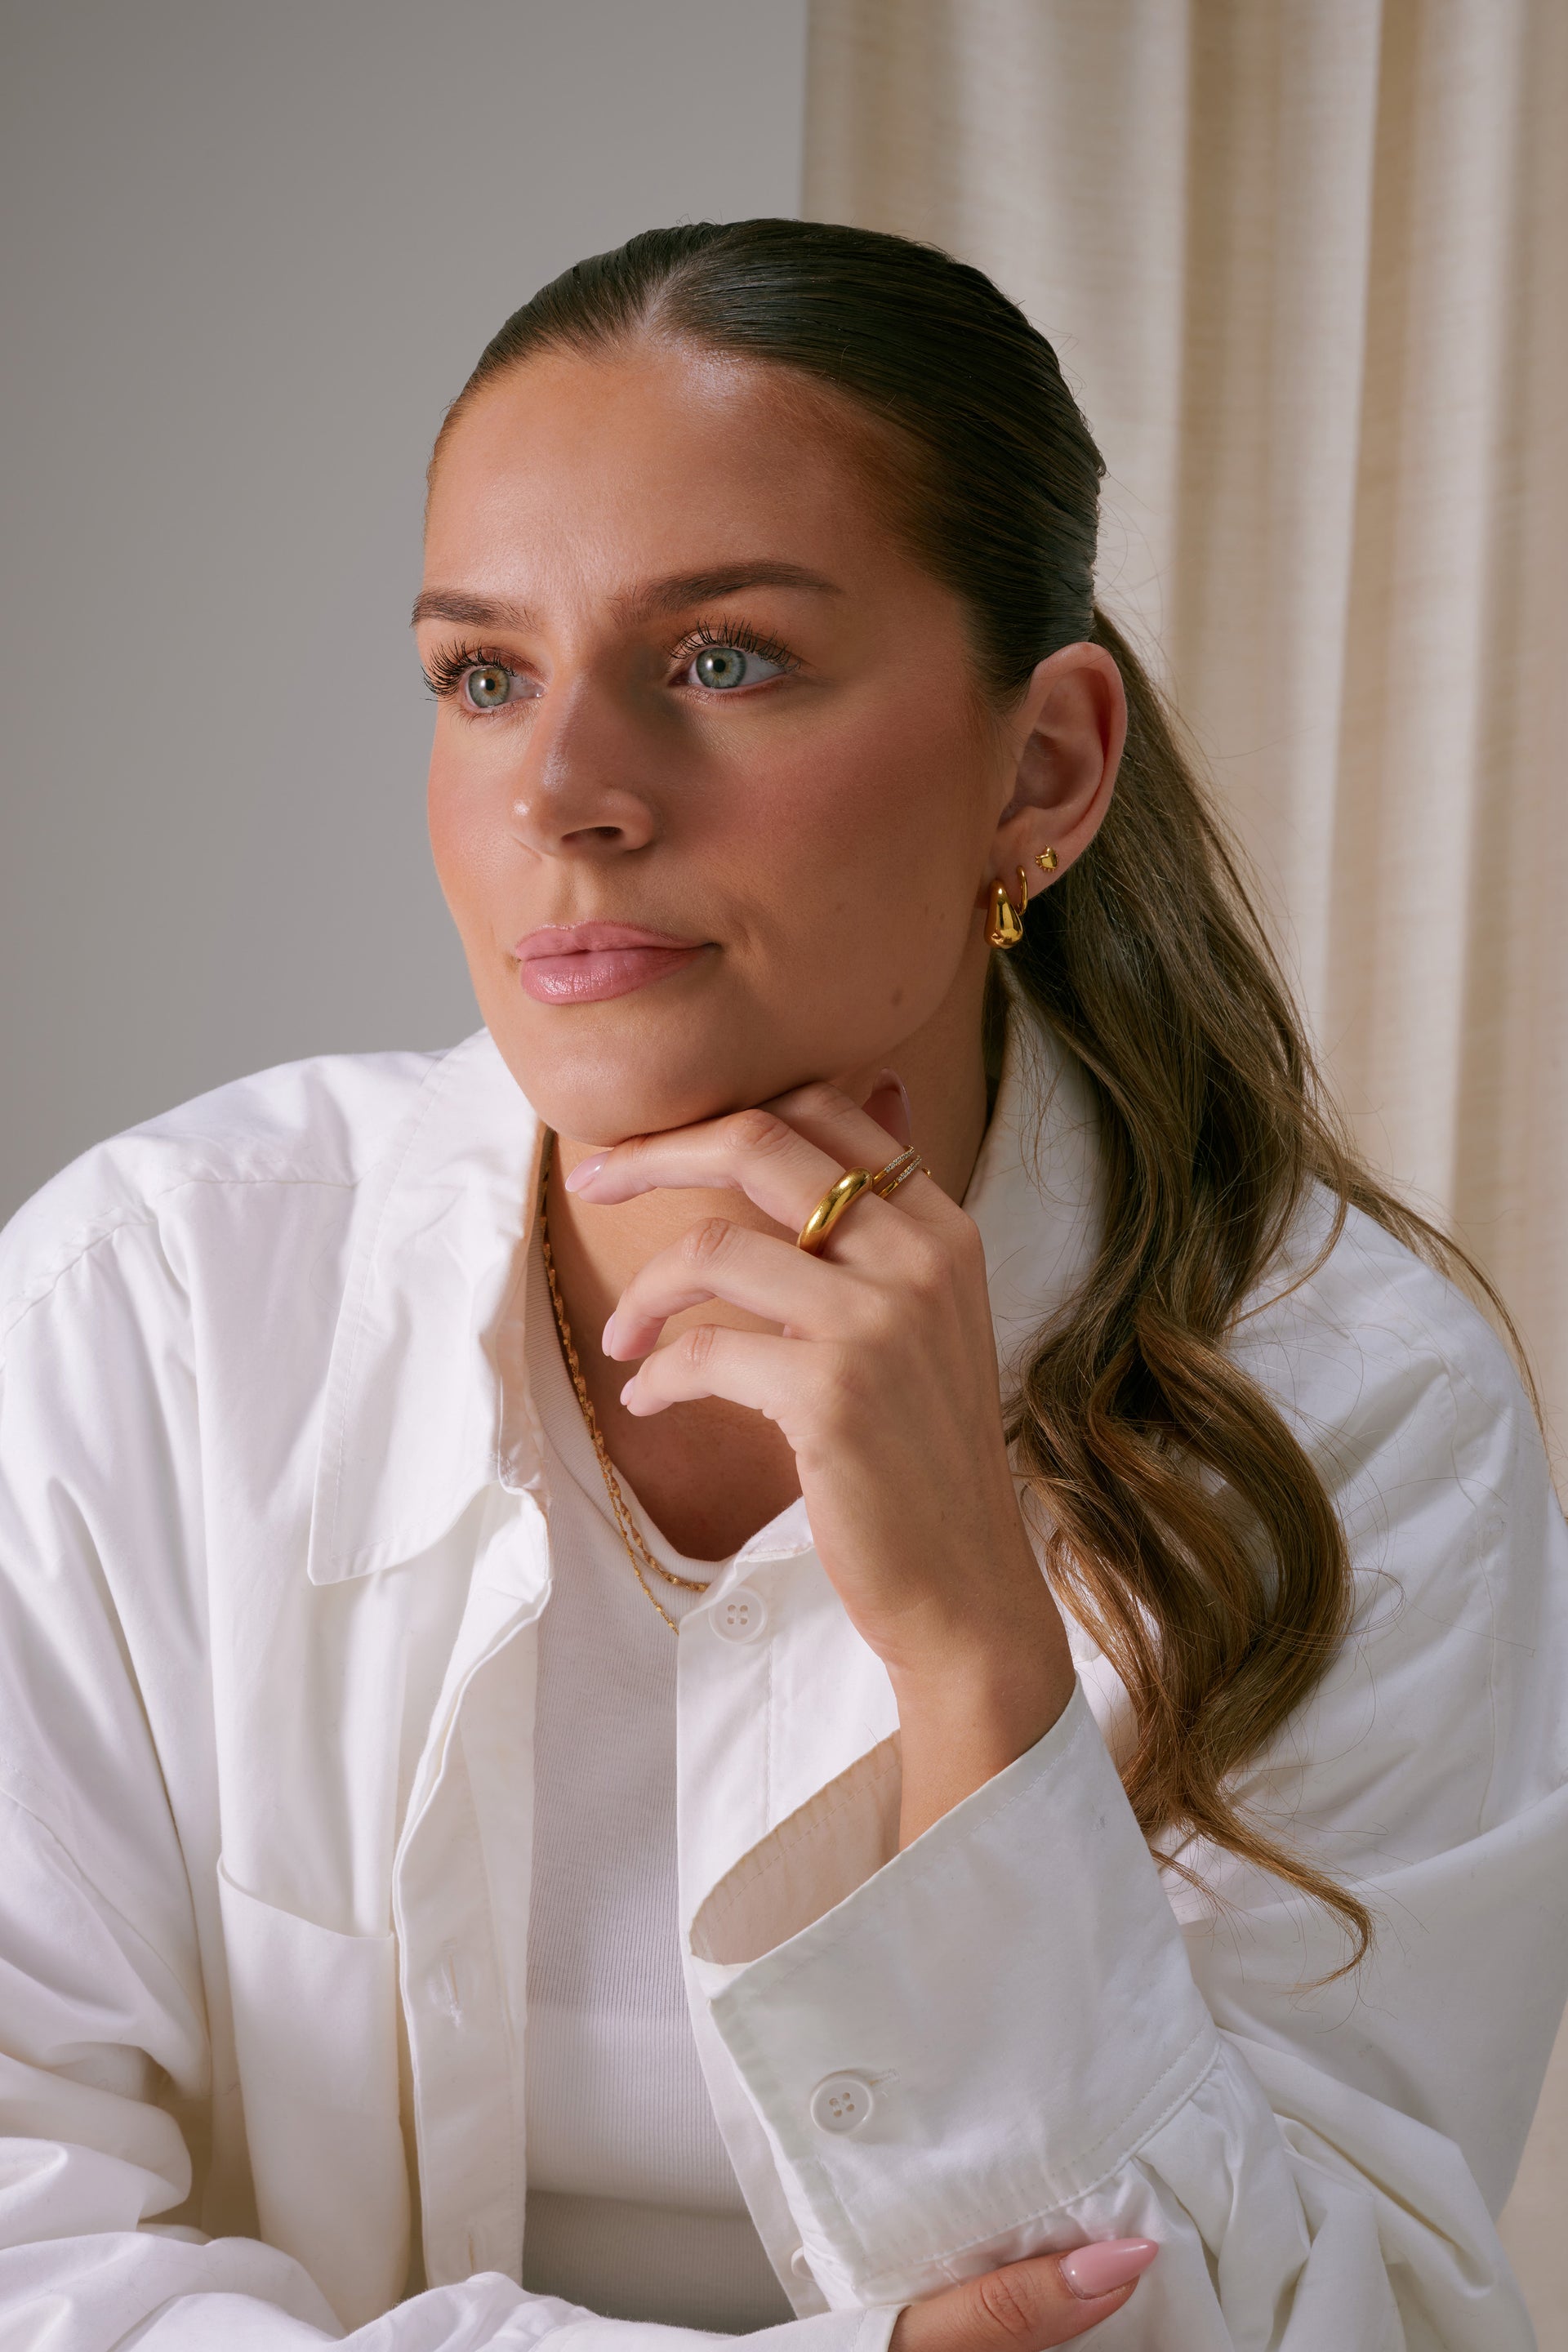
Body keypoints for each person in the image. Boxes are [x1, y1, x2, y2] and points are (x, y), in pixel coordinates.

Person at [0, 218, 1563, 2352]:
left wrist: (974, 1660)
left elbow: (1342, 2322)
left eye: (722, 657)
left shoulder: (1364, 1406)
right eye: (484, 673)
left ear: (1045, 767)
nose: (565, 795)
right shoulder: (148, 1307)